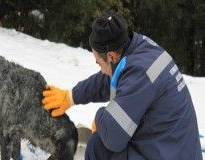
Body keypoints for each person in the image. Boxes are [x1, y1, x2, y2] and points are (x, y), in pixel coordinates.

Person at [42, 10, 202, 160]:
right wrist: (70, 96)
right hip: (171, 145)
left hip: (169, 152)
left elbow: (113, 136)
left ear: (111, 56)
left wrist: (100, 118)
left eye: (98, 62)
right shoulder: (139, 49)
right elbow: (112, 77)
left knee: (98, 146)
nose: (99, 67)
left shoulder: (140, 73)